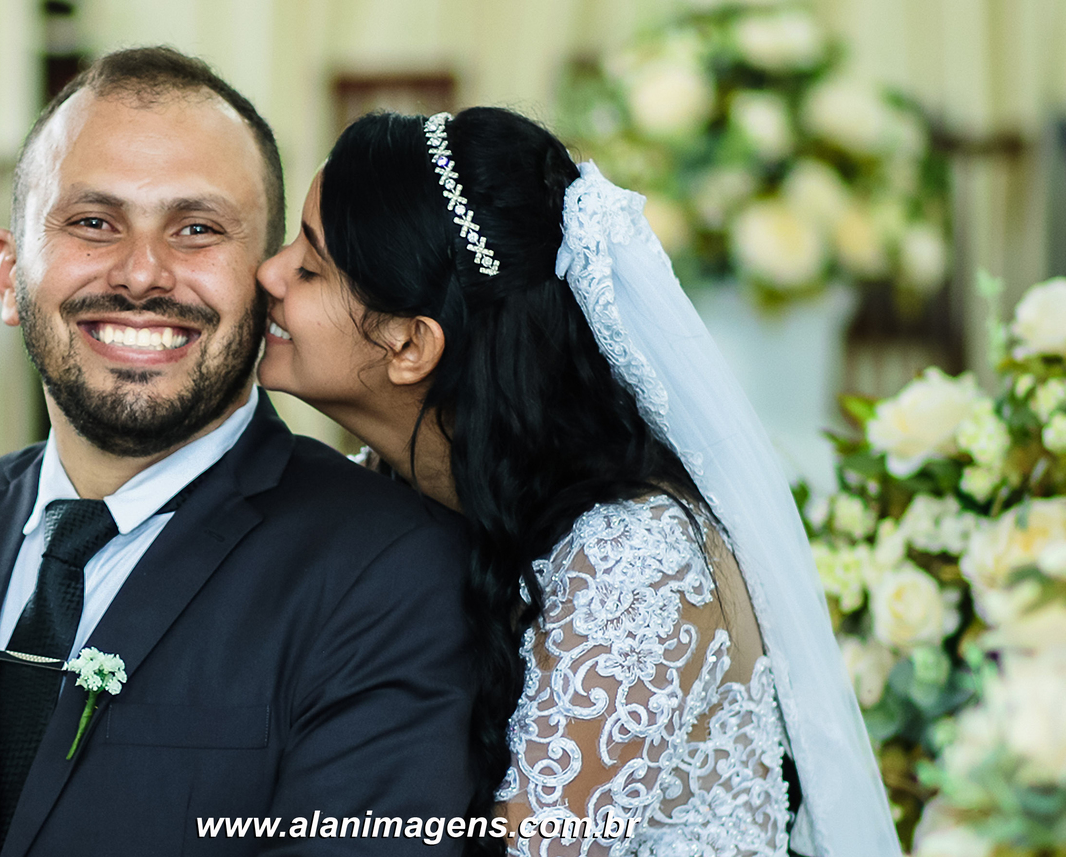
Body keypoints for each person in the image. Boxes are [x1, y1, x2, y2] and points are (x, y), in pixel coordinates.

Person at [0, 48, 475, 856]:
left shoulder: (394, 574)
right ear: (9, 275)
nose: (143, 273)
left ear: (268, 284)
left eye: (196, 229)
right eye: (93, 222)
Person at [257, 107, 903, 857]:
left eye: (309, 264)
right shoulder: (392, 486)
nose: (268, 273)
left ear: (410, 344)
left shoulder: (635, 562)